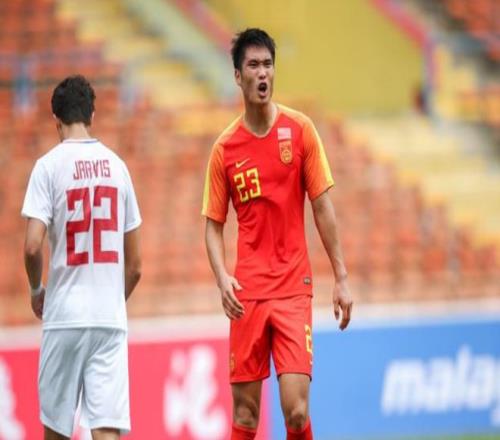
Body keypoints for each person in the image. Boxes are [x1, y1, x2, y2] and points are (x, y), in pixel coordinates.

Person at [202, 28, 353, 440]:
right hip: (247, 294)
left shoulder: (300, 130)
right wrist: (222, 277)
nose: (262, 73)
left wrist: (340, 276)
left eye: (268, 64)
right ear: (238, 76)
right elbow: (212, 225)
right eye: (253, 65)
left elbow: (322, 205)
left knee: (297, 412)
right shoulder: (224, 150)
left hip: (291, 289)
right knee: (246, 415)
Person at [22, 75, 142, 440]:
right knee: (106, 430)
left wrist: (36, 290)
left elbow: (32, 246)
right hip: (108, 319)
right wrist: (111, 300)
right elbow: (136, 267)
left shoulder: (48, 167)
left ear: (55, 120)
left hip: (64, 316)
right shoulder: (118, 168)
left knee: (56, 431)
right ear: (92, 114)